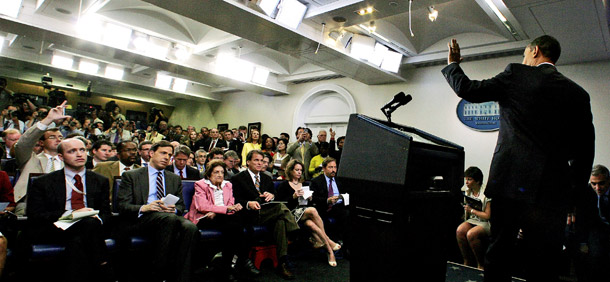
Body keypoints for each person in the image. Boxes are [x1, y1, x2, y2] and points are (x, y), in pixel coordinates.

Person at [442, 36, 595, 282]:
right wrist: (572, 196)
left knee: (499, 254)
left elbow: (468, 90)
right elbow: (585, 151)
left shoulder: (516, 74)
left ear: (535, 51)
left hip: (509, 185)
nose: (524, 58)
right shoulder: (578, 94)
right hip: (552, 194)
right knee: (544, 262)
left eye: (525, 53)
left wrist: (453, 65)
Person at [26, 138, 111, 281]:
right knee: (88, 225)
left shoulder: (100, 180)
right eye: (72, 151)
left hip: (90, 228)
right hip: (57, 226)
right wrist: (71, 214)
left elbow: (106, 213)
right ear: (61, 157)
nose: (79, 154)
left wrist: (97, 218)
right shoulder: (43, 182)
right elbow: (35, 215)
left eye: (82, 150)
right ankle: (104, 266)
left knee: (78, 239)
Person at [117, 140, 199, 282]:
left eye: (169, 155)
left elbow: (181, 206)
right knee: (169, 220)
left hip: (167, 216)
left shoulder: (174, 178)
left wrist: (174, 209)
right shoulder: (132, 175)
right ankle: (158, 274)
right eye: (163, 153)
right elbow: (122, 206)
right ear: (151, 153)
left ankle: (181, 276)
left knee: (190, 227)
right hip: (142, 218)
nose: (167, 157)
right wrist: (145, 207)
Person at [184, 160, 259, 280]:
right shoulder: (201, 184)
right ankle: (239, 260)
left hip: (224, 216)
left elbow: (230, 202)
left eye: (222, 172)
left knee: (238, 223)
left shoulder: (227, 185)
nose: (220, 175)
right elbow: (202, 206)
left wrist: (233, 208)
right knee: (235, 225)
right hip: (205, 217)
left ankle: (226, 267)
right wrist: (223, 209)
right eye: (216, 172)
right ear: (209, 174)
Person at [231, 150, 299, 279]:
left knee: (280, 222)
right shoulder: (238, 178)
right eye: (256, 160)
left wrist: (271, 195)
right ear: (248, 161)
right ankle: (295, 231)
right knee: (280, 208)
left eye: (261, 161)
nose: (259, 163)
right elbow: (234, 200)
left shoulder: (267, 177)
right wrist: (248, 203)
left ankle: (282, 262)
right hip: (249, 214)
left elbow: (275, 197)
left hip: (268, 212)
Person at [277, 159, 340, 267]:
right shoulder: (284, 185)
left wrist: (310, 198)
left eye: (301, 170)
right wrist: (293, 197)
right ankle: (329, 242)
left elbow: (312, 201)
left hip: (305, 212)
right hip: (290, 213)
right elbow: (281, 204)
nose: (299, 172)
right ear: (290, 171)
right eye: (297, 170)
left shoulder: (305, 184)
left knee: (310, 223)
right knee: (312, 210)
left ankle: (328, 250)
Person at [13, 101, 69, 215]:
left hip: (63, 204)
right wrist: (48, 120)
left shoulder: (69, 162)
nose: (58, 140)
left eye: (61, 137)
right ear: (41, 142)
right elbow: (23, 144)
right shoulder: (30, 158)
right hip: (31, 202)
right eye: (52, 137)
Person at [573, 165, 610, 282]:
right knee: (594, 255)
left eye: (601, 183)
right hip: (596, 228)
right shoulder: (587, 191)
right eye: (594, 183)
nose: (597, 187)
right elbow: (582, 219)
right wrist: (583, 242)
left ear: (609, 180)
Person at [456, 167, 491, 270]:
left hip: (485, 222)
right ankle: (466, 260)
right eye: (466, 179)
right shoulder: (467, 191)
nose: (466, 182)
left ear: (477, 181)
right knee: (460, 230)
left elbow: (487, 216)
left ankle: (480, 264)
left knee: (471, 234)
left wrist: (472, 210)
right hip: (473, 219)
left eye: (469, 179)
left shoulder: (486, 193)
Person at [310, 157, 349, 248]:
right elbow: (313, 198)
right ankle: (340, 241)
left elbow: (346, 192)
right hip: (325, 207)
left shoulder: (340, 180)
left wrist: (343, 197)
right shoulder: (316, 181)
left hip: (339, 205)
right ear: (324, 168)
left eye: (335, 167)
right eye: (330, 167)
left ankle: (348, 241)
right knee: (345, 214)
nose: (333, 170)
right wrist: (327, 200)